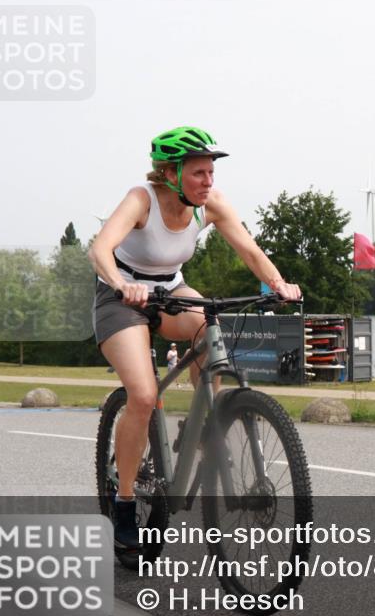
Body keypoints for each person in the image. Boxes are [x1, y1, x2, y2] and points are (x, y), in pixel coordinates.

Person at [89, 126, 301, 553]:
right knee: (144, 396)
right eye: (200, 173)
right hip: (121, 298)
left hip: (170, 291)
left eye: (211, 173)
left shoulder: (211, 206)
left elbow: (250, 250)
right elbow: (100, 249)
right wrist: (119, 283)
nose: (209, 182)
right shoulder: (141, 200)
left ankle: (200, 425)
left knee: (210, 322)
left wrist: (278, 283)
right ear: (170, 173)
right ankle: (126, 500)